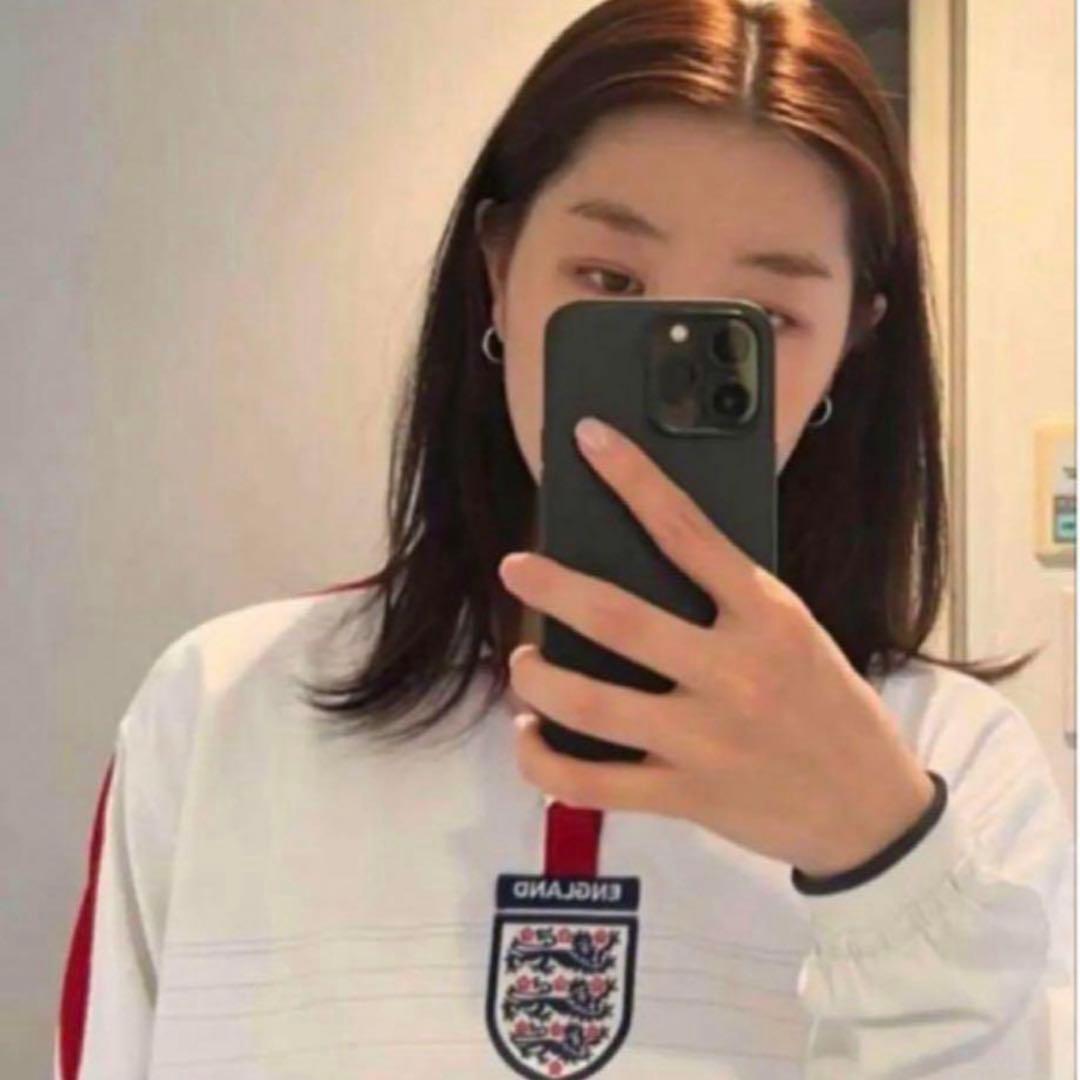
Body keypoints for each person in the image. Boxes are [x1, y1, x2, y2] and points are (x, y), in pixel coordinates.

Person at [55, 1, 1073, 1077]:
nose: (665, 363)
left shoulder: (955, 767)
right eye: (610, 284)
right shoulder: (223, 710)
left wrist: (886, 864)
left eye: (762, 321)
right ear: (498, 273)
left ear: (848, 349)